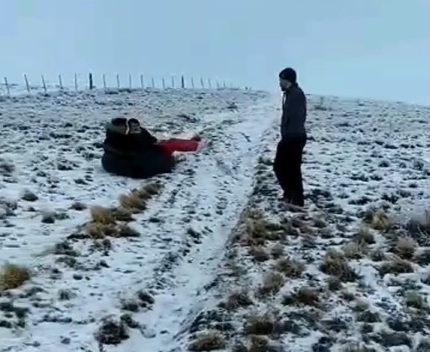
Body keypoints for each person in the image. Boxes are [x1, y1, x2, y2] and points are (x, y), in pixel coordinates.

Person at [273, 67, 307, 207]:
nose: (279, 83)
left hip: (294, 137)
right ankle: (292, 196)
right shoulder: (290, 93)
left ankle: (296, 199)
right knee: (287, 168)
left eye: (281, 80)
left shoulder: (296, 95)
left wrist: (289, 135)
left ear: (287, 80)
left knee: (285, 167)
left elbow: (297, 117)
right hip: (291, 136)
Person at [101, 117, 175, 178]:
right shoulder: (113, 139)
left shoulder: (124, 136)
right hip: (115, 162)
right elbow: (128, 151)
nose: (125, 128)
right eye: (122, 126)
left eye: (125, 126)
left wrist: (139, 134)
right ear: (115, 128)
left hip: (127, 160)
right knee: (144, 163)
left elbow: (151, 141)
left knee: (155, 152)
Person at [127, 118, 204, 157]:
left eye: (136, 125)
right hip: (151, 150)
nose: (135, 127)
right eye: (133, 126)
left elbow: (151, 138)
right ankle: (192, 146)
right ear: (130, 127)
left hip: (154, 145)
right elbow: (138, 147)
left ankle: (192, 143)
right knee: (171, 145)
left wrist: (153, 140)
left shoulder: (142, 130)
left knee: (172, 140)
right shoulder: (130, 136)